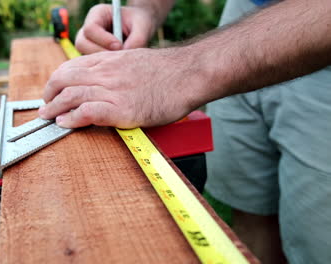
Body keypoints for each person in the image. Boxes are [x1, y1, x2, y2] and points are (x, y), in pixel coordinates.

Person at [38, 0, 331, 263]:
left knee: (317, 240)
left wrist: (186, 70)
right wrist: (144, 9)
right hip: (241, 19)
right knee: (251, 209)